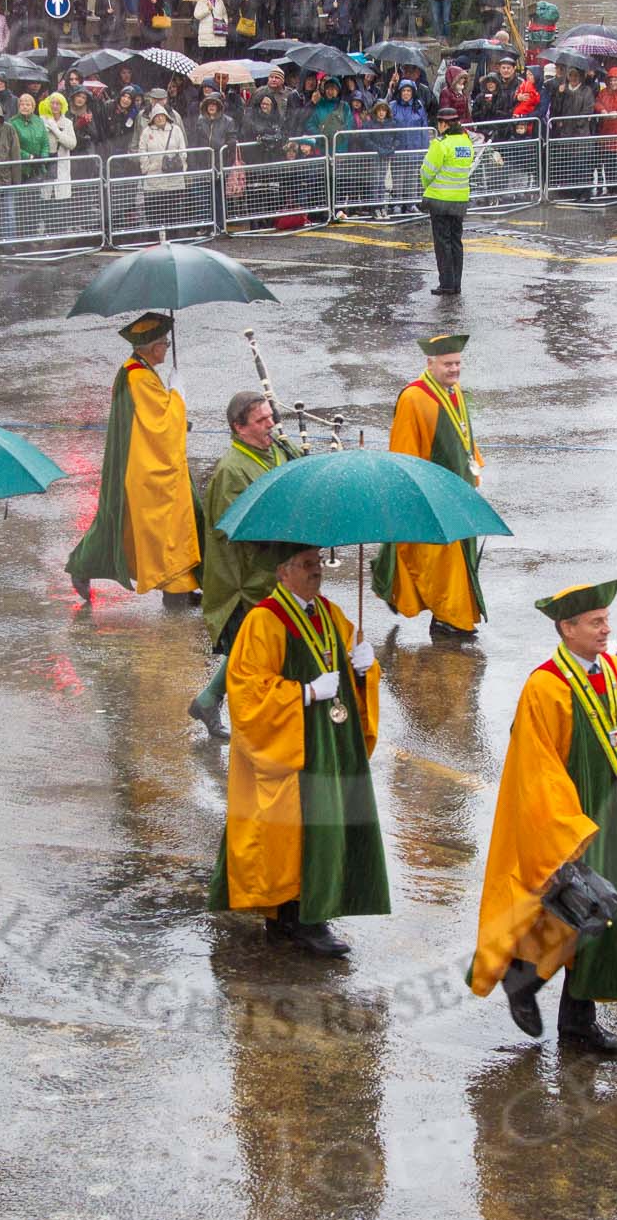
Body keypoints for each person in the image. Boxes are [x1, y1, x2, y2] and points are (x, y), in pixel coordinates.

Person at [467, 581, 617, 1051]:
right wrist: (567, 828)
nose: (608, 629)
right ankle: (523, 978)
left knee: (608, 916)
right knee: (574, 906)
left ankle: (577, 1022)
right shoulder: (545, 687)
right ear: (567, 628)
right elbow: (536, 768)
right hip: (578, 818)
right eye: (596, 622)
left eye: (607, 618)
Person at [206, 543, 387, 958]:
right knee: (288, 830)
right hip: (289, 743)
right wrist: (304, 692)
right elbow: (248, 691)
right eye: (307, 565)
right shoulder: (263, 621)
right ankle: (291, 919)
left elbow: (344, 654)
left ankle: (311, 909)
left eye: (318, 563)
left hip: (325, 741)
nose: (317, 571)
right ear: (283, 572)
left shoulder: (327, 613)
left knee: (320, 824)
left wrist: (363, 666)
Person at [66, 312, 202, 606]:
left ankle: (178, 587)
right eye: (164, 343)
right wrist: (178, 393)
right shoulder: (139, 377)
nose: (167, 347)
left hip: (138, 461)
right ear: (153, 348)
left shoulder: (134, 369)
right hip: (148, 470)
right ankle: (175, 591)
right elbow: (163, 428)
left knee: (126, 526)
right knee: (167, 530)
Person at [189, 391, 302, 740]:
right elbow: (237, 531)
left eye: (271, 417)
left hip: (280, 572)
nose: (271, 424)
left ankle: (208, 699)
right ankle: (256, 729)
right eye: (261, 421)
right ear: (239, 428)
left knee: (249, 649)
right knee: (255, 657)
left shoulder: (280, 450)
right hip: (247, 581)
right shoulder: (231, 471)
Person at [371, 333, 485, 637]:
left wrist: (473, 467)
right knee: (437, 559)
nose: (454, 369)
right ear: (430, 363)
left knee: (456, 558)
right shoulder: (413, 398)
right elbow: (404, 451)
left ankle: (451, 614)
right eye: (448, 364)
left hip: (459, 489)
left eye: (458, 363)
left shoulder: (455, 391)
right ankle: (450, 617)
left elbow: (463, 433)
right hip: (432, 493)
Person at [420, 106, 472, 296]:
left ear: (443, 124)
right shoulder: (466, 142)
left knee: (443, 244)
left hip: (440, 200)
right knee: (456, 242)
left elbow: (427, 171)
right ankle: (456, 283)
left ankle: (447, 284)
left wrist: (426, 185)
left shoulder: (440, 144)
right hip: (460, 199)